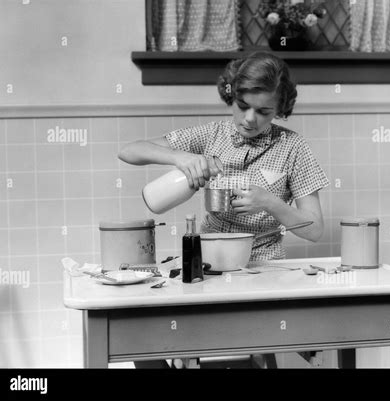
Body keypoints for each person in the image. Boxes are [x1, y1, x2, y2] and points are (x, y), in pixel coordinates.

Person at [119, 51, 330, 368]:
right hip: (205, 269)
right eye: (243, 106)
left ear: (281, 109)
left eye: (263, 111)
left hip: (263, 272)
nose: (249, 119)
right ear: (231, 94)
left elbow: (314, 230)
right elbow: (128, 151)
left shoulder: (294, 147)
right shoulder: (212, 135)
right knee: (142, 338)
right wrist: (180, 158)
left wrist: (270, 201)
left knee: (246, 350)